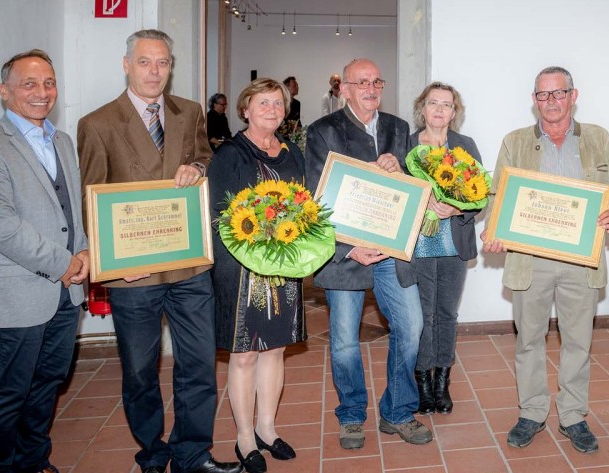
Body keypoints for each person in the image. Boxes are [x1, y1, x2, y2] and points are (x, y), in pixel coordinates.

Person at [77, 29, 240, 473]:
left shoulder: (188, 112)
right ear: (127, 64)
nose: (154, 71)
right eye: (145, 62)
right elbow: (92, 197)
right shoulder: (98, 123)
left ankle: (192, 453)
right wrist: (112, 261)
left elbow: (207, 159)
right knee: (139, 372)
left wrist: (198, 168)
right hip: (134, 275)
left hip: (188, 266)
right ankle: (152, 451)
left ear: (172, 67)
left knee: (199, 365)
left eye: (163, 62)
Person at [481, 66, 609, 454]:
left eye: (558, 93)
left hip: (582, 259)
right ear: (534, 100)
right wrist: (493, 228)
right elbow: (498, 195)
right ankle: (531, 412)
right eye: (543, 95)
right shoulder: (515, 142)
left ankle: (573, 415)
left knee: (578, 340)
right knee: (529, 339)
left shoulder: (598, 138)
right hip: (530, 260)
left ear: (573, 95)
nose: (551, 102)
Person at [304, 58, 432, 449]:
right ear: (343, 89)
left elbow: (416, 186)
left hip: (393, 252)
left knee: (410, 328)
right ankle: (352, 415)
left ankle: (397, 411)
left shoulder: (400, 127)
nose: (371, 88)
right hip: (347, 254)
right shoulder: (322, 131)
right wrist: (348, 248)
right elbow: (315, 196)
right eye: (361, 82)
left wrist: (402, 173)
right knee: (344, 340)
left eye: (377, 81)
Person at [0, 49, 89, 473]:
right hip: (18, 293)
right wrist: (64, 262)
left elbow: (71, 211)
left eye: (48, 83)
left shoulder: (62, 141)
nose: (42, 93)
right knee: (9, 394)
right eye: (29, 84)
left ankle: (33, 460)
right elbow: (1, 227)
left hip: (66, 292)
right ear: (5, 92)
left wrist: (86, 251)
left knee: (47, 386)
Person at [209, 78, 304, 473]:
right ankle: (244, 436)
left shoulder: (293, 152)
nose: (271, 109)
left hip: (283, 268)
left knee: (275, 350)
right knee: (245, 353)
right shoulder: (230, 154)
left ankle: (267, 428)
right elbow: (220, 216)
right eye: (262, 102)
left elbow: (305, 203)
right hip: (242, 269)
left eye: (277, 103)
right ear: (245, 110)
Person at [407, 82, 483, 415]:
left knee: (447, 313)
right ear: (421, 108)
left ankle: (442, 382)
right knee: (424, 316)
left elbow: (480, 194)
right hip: (417, 244)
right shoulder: (405, 145)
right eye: (433, 103)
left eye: (447, 105)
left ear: (455, 112)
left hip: (453, 241)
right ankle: (423, 381)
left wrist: (455, 208)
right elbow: (396, 193)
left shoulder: (464, 146)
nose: (439, 110)